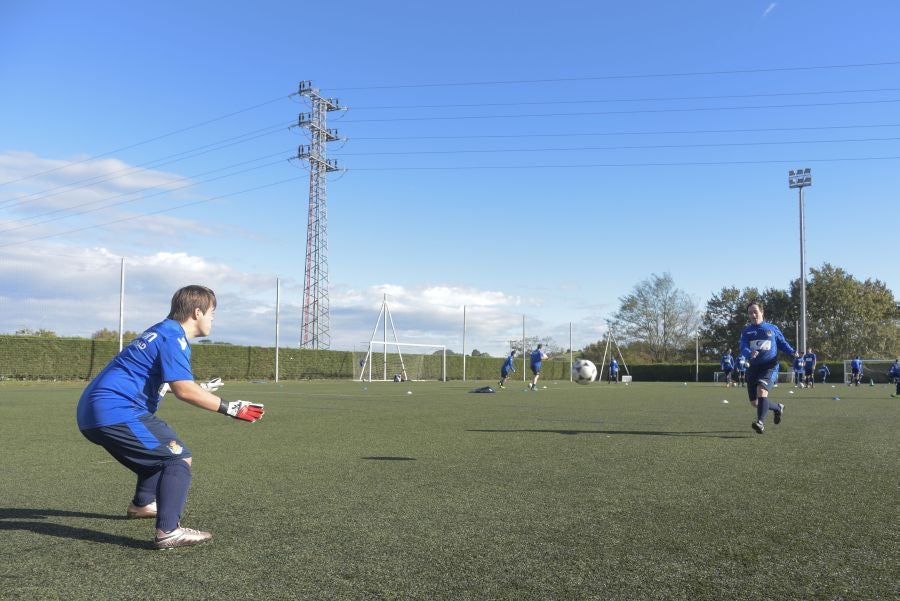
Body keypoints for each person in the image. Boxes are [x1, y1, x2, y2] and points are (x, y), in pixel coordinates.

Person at [77, 285, 265, 550]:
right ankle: (168, 532)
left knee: (156, 459)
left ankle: (142, 504)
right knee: (177, 457)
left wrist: (198, 388)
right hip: (115, 410)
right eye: (212, 313)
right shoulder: (173, 337)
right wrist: (231, 408)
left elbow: (159, 380)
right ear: (197, 312)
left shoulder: (162, 331)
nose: (213, 319)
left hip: (96, 412)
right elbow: (183, 390)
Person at [739, 301, 799, 434]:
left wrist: (792, 351)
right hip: (753, 368)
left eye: (755, 312)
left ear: (762, 312)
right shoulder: (746, 332)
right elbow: (743, 347)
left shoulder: (772, 328)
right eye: (750, 313)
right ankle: (777, 408)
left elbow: (782, 343)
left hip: (769, 366)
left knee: (762, 390)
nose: (753, 315)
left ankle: (760, 422)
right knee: (755, 403)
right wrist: (750, 353)